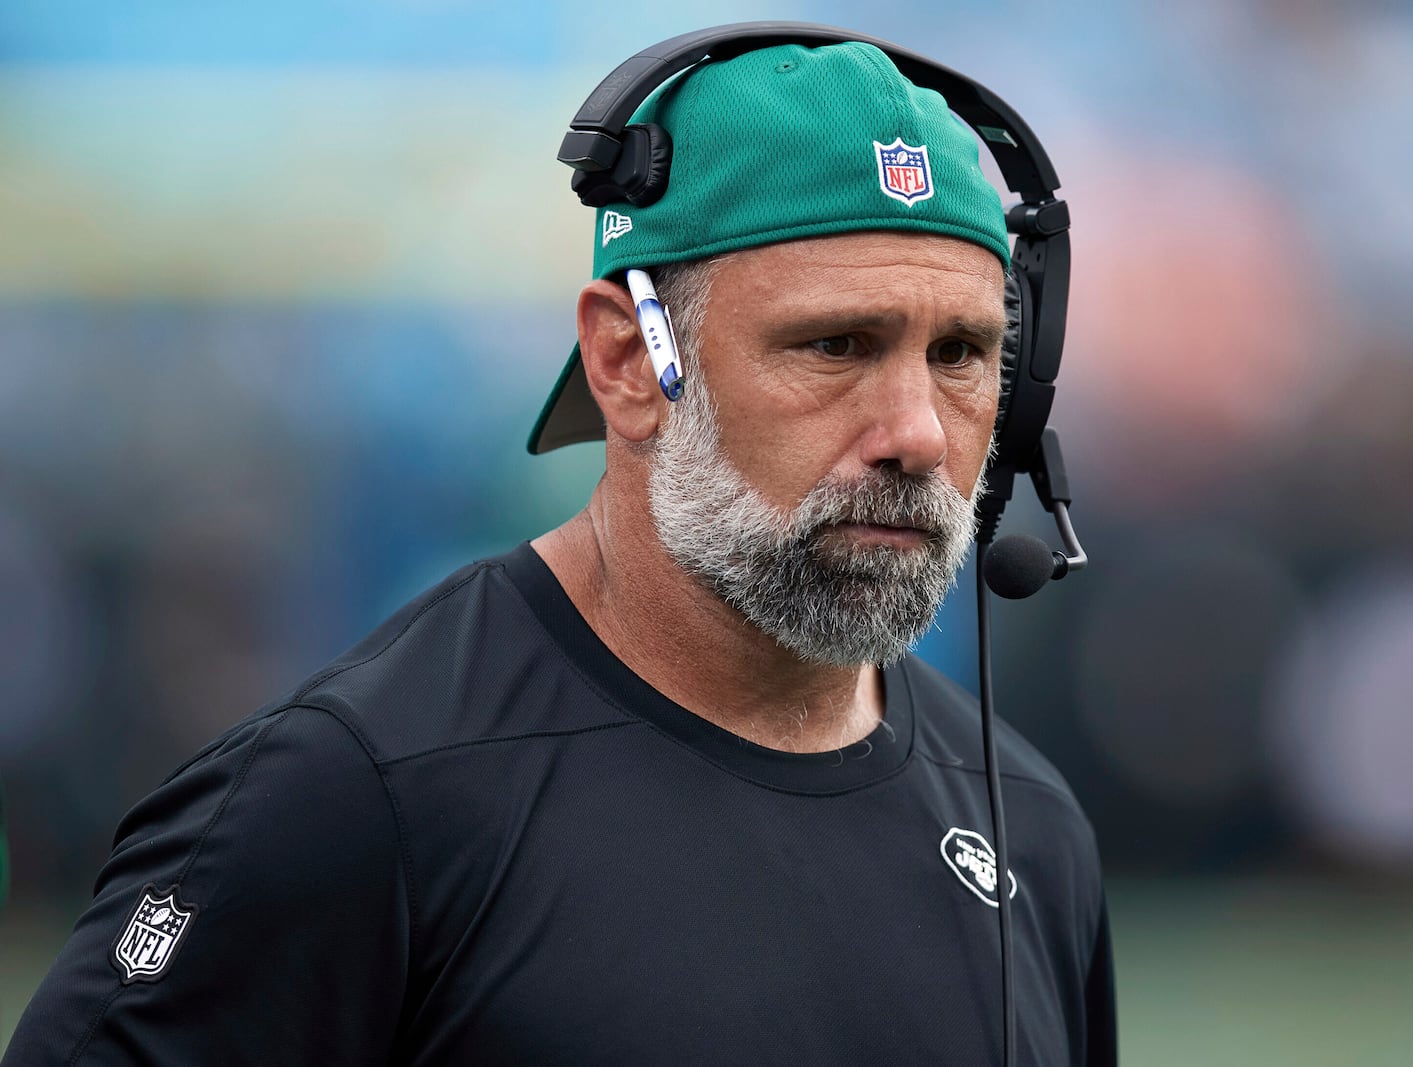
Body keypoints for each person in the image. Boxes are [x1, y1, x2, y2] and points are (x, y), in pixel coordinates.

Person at [5, 35, 1115, 1066]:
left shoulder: (1027, 820)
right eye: (834, 343)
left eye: (963, 351)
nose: (918, 431)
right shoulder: (349, 796)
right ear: (630, 360)